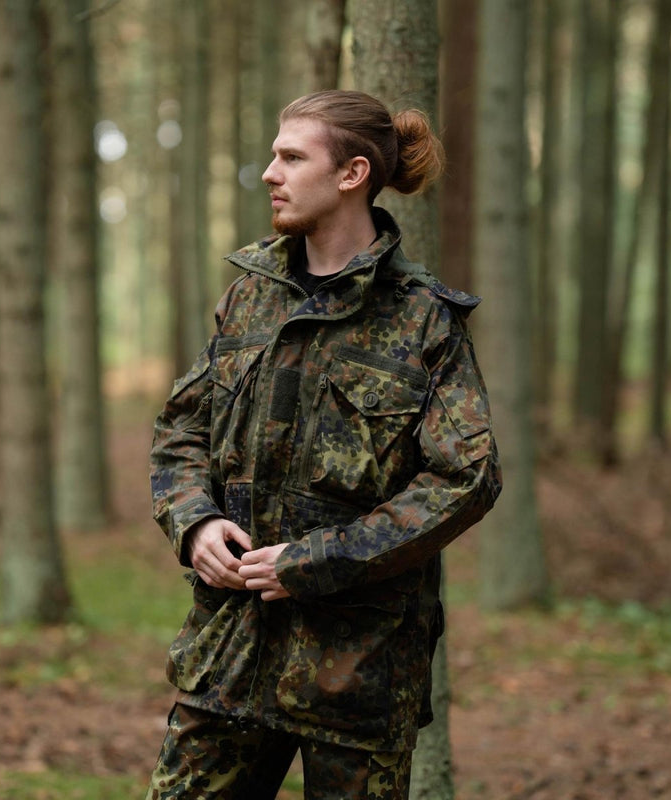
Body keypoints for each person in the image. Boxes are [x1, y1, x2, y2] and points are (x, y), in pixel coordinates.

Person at [145, 89, 501, 800]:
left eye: (291, 156)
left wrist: (319, 561)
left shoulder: (421, 320)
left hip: (358, 672)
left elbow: (465, 476)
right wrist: (195, 520)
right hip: (229, 655)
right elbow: (181, 428)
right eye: (274, 155)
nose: (270, 173)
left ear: (352, 174)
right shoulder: (251, 297)